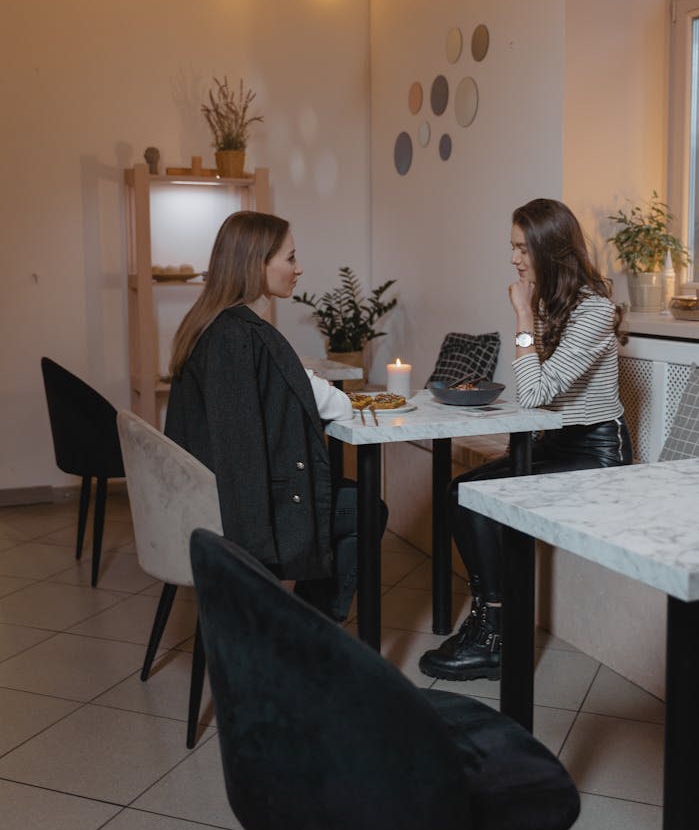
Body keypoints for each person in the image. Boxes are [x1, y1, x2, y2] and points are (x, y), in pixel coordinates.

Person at [419, 198, 633, 681]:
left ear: (549, 250)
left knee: (478, 502)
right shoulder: (551, 305)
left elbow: (534, 393)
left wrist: (520, 316)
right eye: (512, 247)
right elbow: (533, 390)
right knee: (462, 492)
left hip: (597, 452)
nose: (514, 258)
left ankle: (494, 637)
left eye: (521, 248)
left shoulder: (594, 311)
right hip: (553, 444)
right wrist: (528, 316)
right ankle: (491, 622)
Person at [165, 210, 381, 620]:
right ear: (256, 264)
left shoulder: (207, 326)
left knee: (351, 498)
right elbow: (334, 404)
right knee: (368, 506)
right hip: (245, 514)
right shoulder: (246, 336)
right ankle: (310, 629)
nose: (298, 269)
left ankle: (304, 623)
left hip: (204, 502)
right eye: (290, 258)